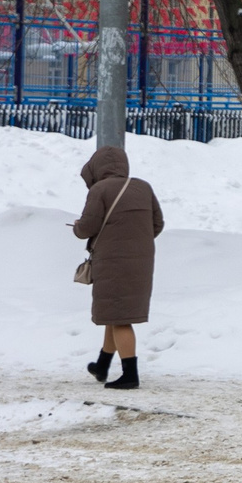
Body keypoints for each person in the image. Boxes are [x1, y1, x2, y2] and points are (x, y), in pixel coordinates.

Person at [73, 145, 163, 391]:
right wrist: (136, 241)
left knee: (120, 317)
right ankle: (102, 365)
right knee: (115, 312)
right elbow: (157, 223)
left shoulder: (100, 189)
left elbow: (87, 228)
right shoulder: (143, 187)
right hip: (142, 260)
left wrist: (77, 226)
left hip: (112, 261)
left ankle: (129, 375)